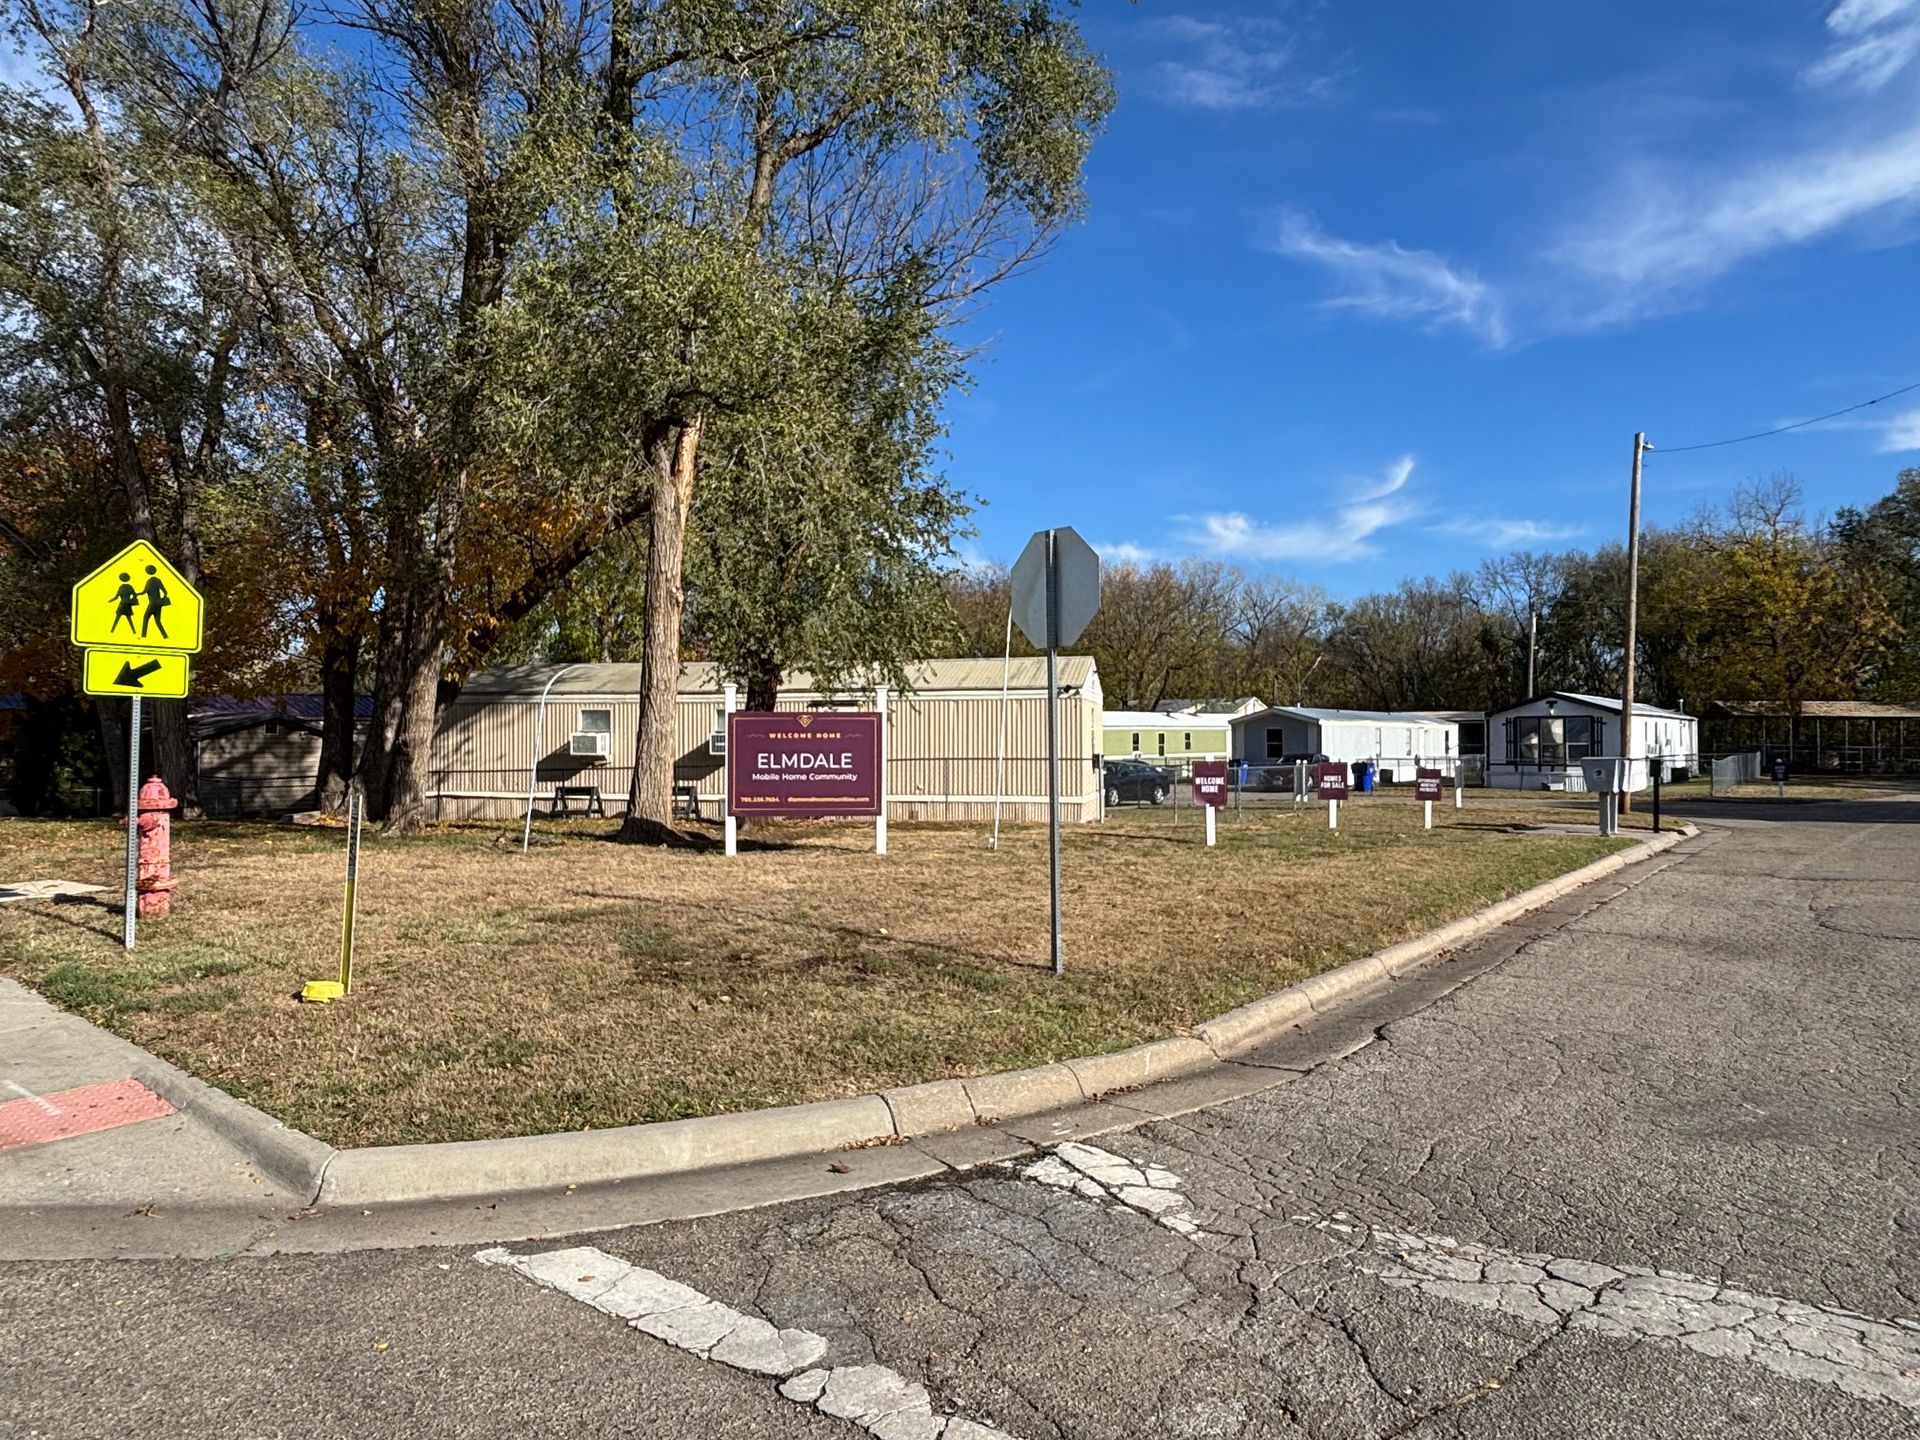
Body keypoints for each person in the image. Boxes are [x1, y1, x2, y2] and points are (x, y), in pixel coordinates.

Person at [139, 564, 170, 640]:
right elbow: (165, 592)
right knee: (157, 621)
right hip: (159, 604)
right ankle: (165, 636)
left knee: (145, 618)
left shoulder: (149, 581)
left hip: (152, 604)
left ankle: (143, 636)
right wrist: (163, 599)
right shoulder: (158, 580)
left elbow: (144, 592)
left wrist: (136, 594)